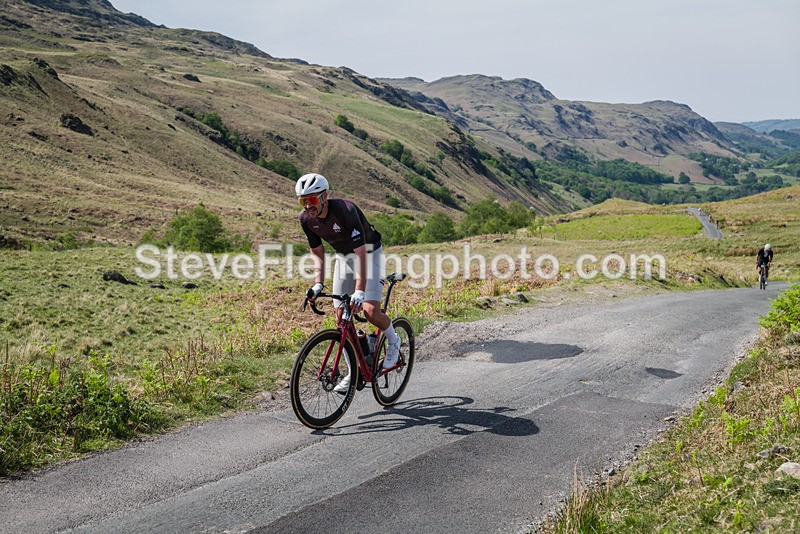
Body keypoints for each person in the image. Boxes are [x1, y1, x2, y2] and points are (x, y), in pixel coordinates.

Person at [296, 173, 400, 393]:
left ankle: (394, 341)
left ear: (324, 196)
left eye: (312, 200)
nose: (308, 206)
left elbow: (362, 255)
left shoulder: (346, 210)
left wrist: (360, 291)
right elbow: (317, 252)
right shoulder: (306, 219)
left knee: (370, 311)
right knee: (340, 316)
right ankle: (355, 370)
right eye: (303, 201)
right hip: (344, 258)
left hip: (369, 254)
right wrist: (317, 284)